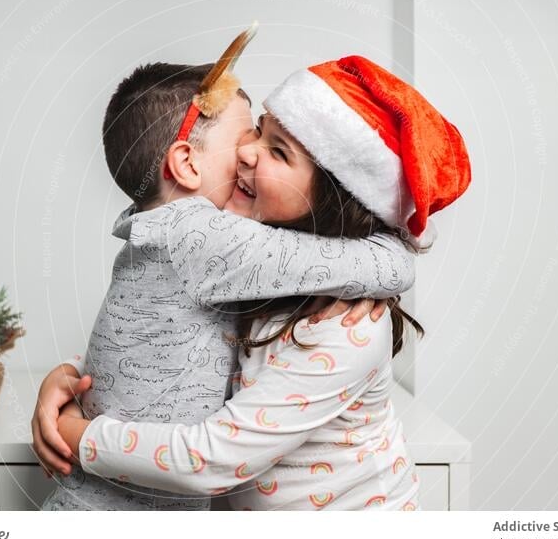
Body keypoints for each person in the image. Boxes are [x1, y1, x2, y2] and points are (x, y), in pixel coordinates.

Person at [50, 56, 472, 510]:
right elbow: (171, 339)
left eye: (277, 151)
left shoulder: (349, 323)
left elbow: (213, 458)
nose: (247, 152)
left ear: (331, 196)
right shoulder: (242, 266)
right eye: (258, 130)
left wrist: (78, 433)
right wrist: (72, 378)